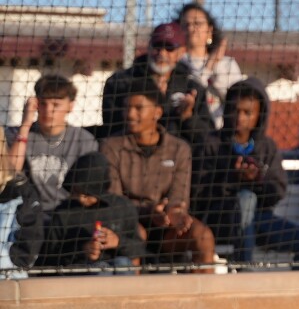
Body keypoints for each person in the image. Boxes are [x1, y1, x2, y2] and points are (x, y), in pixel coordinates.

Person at [193, 78, 299, 268]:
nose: (239, 117)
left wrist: (256, 180)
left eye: (247, 112)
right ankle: (245, 274)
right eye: (235, 110)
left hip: (260, 220)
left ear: (258, 115)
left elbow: (277, 192)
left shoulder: (267, 146)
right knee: (246, 198)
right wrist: (232, 177)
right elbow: (198, 194)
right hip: (220, 219)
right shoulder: (210, 143)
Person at [100, 79, 217, 270]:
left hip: (167, 227)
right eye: (126, 108)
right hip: (130, 223)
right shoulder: (110, 147)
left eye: (138, 108)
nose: (130, 114)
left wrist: (174, 213)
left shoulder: (179, 149)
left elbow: (179, 197)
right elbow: (115, 203)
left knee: (203, 236)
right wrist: (148, 212)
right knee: (135, 233)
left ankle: (203, 296)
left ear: (157, 113)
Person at [100, 22, 215, 144]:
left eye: (169, 48)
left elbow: (207, 137)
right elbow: (111, 127)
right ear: (149, 47)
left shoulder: (192, 88)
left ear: (182, 51)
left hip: (179, 157)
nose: (162, 53)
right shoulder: (120, 82)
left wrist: (187, 117)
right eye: (157, 46)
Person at [6, 75, 99, 213]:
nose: (48, 110)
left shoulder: (83, 141)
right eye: (43, 104)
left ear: (70, 106)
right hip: (28, 212)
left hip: (67, 212)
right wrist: (25, 125)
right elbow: (10, 173)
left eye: (56, 105)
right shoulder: (18, 135)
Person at [43, 151, 144, 272]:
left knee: (122, 264)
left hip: (118, 267)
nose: (81, 198)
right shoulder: (63, 213)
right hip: (81, 271)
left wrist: (118, 242)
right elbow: (50, 257)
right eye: (76, 191)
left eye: (86, 193)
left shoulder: (121, 207)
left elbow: (139, 248)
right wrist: (82, 250)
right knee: (100, 272)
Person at [178, 2, 244, 129]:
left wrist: (216, 67)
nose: (191, 28)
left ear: (209, 30)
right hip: (188, 132)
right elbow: (192, 92)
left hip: (222, 133)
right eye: (186, 25)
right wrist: (210, 64)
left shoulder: (227, 64)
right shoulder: (178, 64)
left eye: (197, 24)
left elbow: (236, 100)